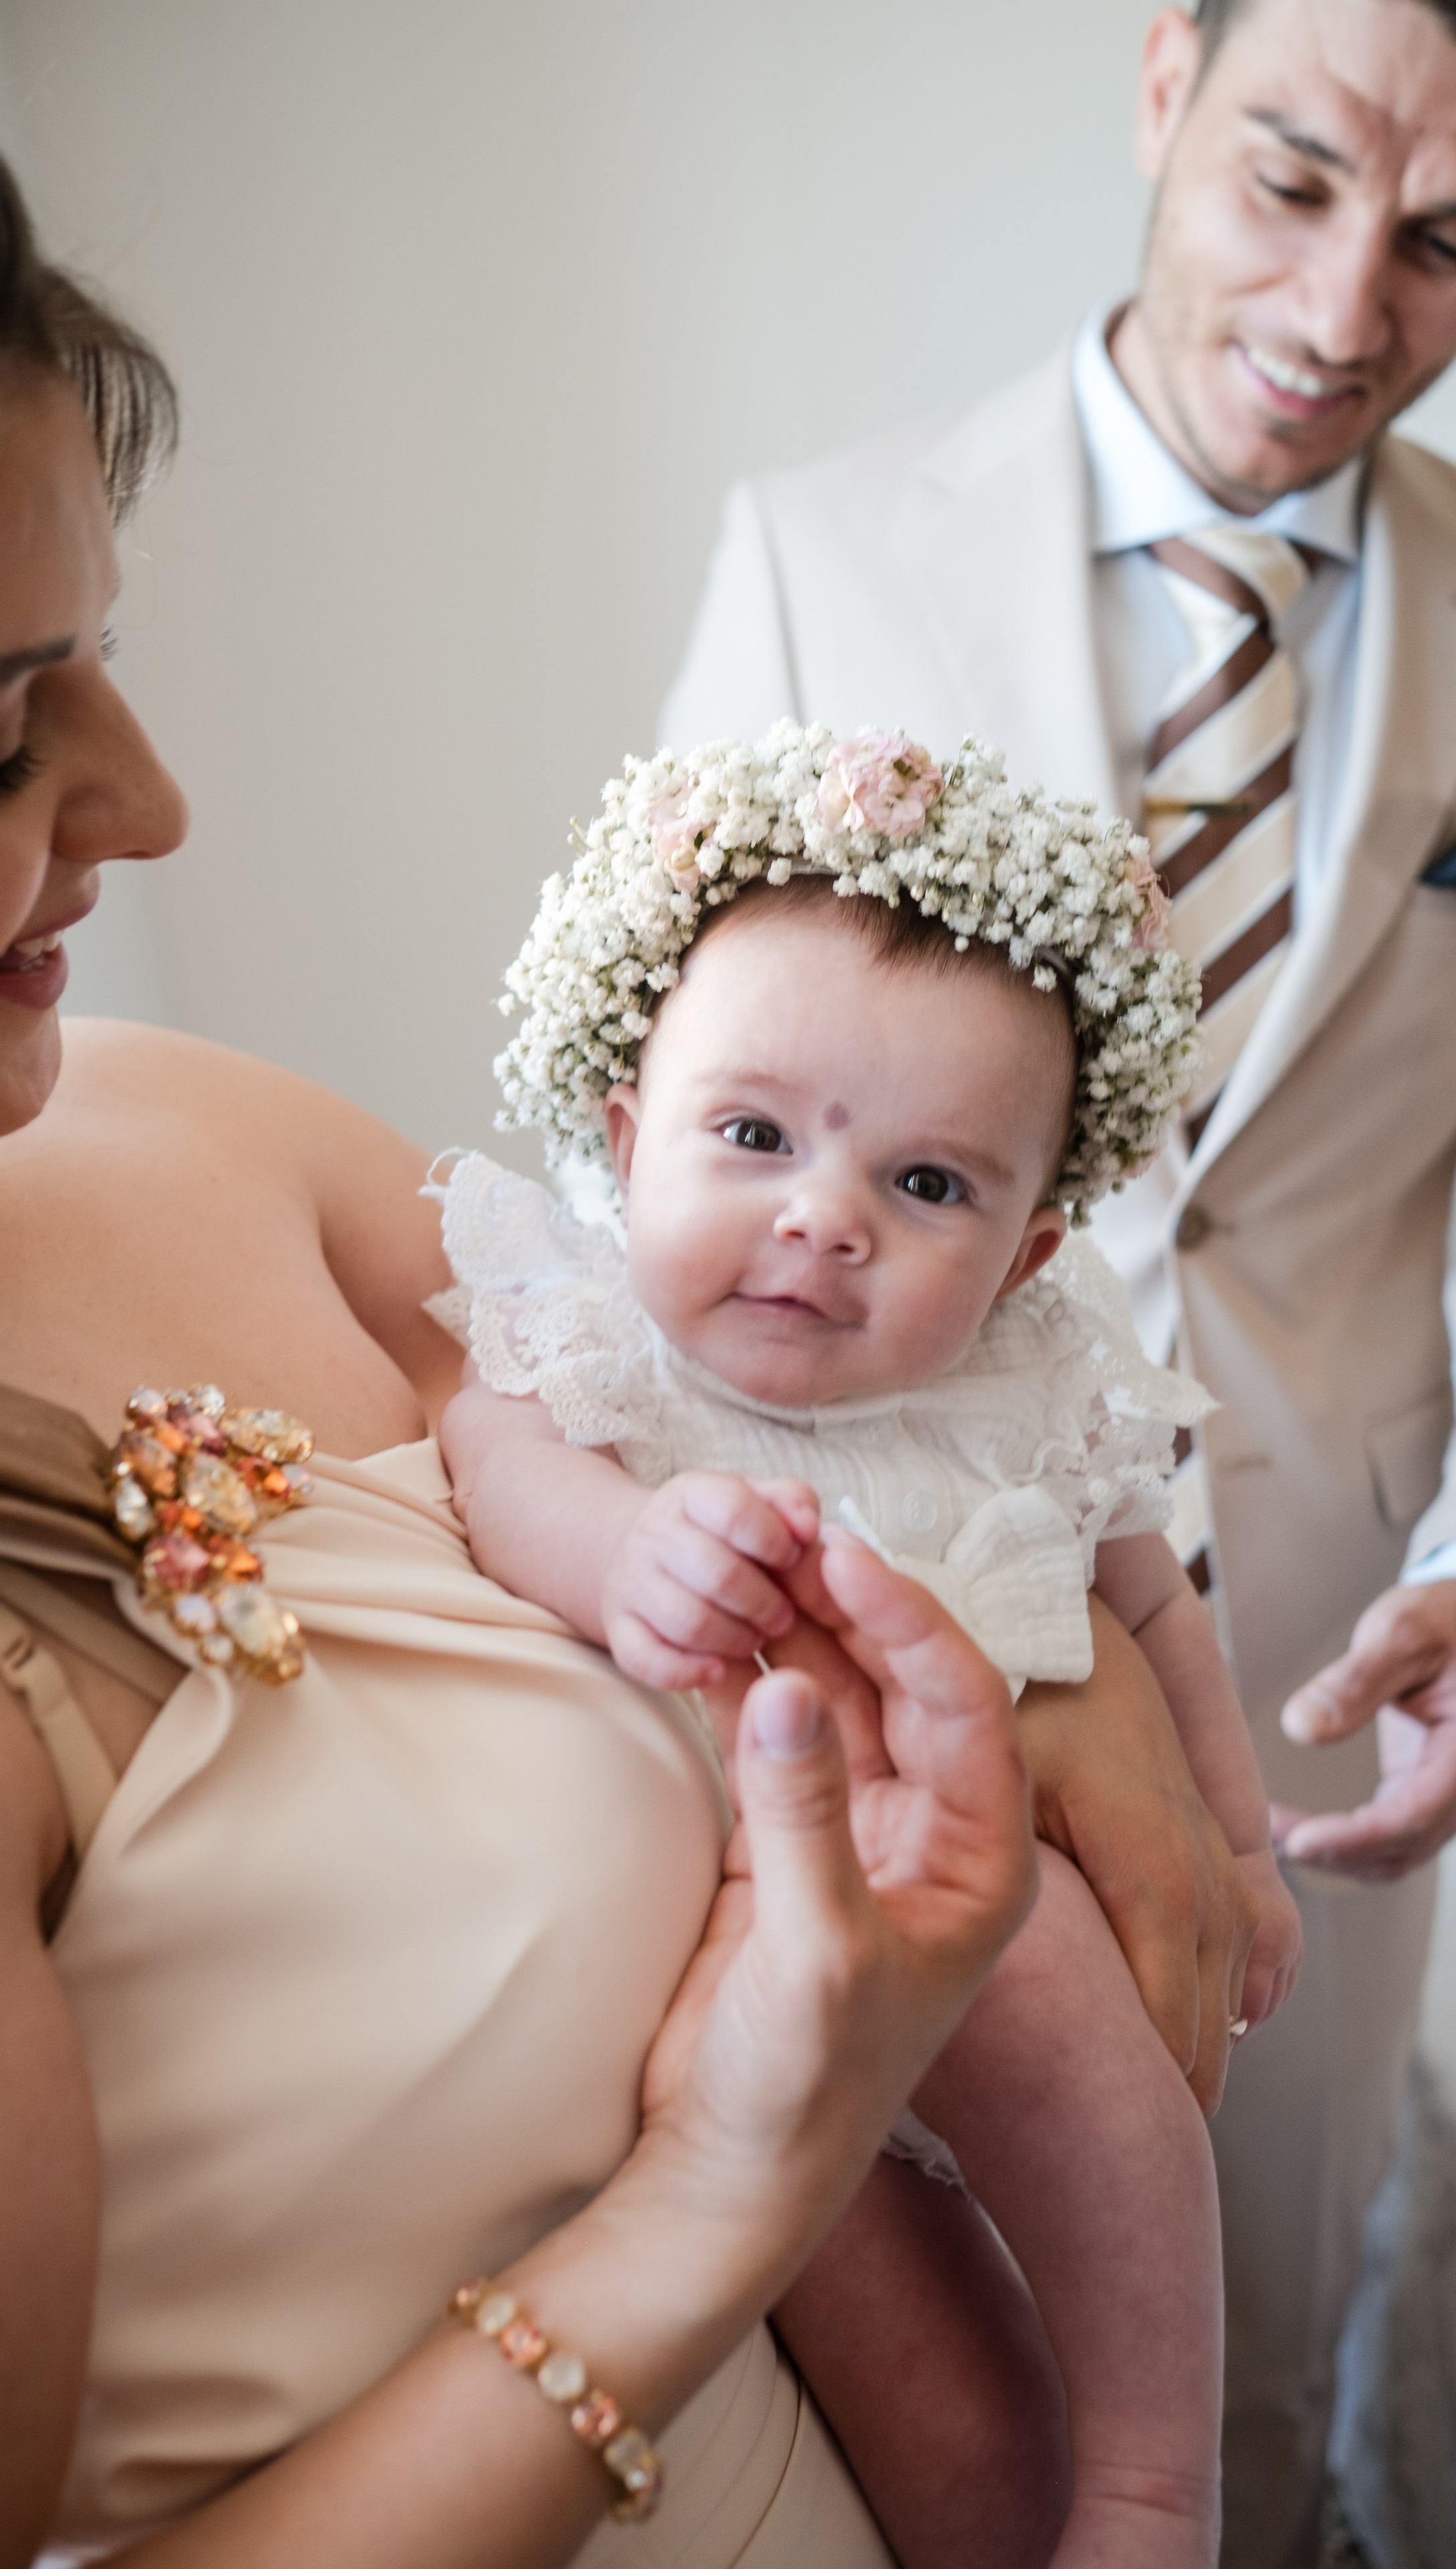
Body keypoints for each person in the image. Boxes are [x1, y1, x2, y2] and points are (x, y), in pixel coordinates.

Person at [655, 0, 1456, 2557]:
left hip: (1319, 1657)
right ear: (1165, 84)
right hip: (846, 1649)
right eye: (1294, 180)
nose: (1349, 312)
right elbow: (663, 1113)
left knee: (1251, 2364)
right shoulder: (820, 549)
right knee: (848, 2369)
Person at [0, 157, 1048, 2569]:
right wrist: (722, 2190)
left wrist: (1031, 1637)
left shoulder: (178, 1126)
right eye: (0, 720)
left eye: (100, 653)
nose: (153, 802)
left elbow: (722, 1385)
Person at [435, 725, 1305, 2568]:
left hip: (997, 1920)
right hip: (737, 1972)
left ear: (1027, 1254)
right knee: (954, 2424)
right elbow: (493, 1465)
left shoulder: (1028, 1386)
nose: (823, 1220)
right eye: (754, 1138)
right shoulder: (589, 1340)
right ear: (626, 1140)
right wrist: (627, 1551)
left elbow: (1161, 1614)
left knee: (1106, 2098)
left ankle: (1160, 2481)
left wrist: (1238, 1848)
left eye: (928, 1187)